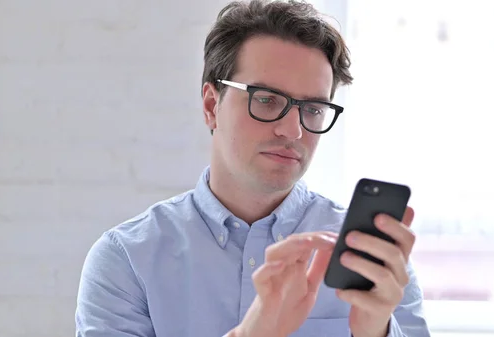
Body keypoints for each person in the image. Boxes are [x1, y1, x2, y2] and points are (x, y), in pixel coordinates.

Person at [75, 0, 431, 336]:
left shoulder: (372, 261)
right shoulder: (126, 261)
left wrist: (375, 331)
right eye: (266, 100)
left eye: (313, 109)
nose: (293, 130)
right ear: (212, 105)